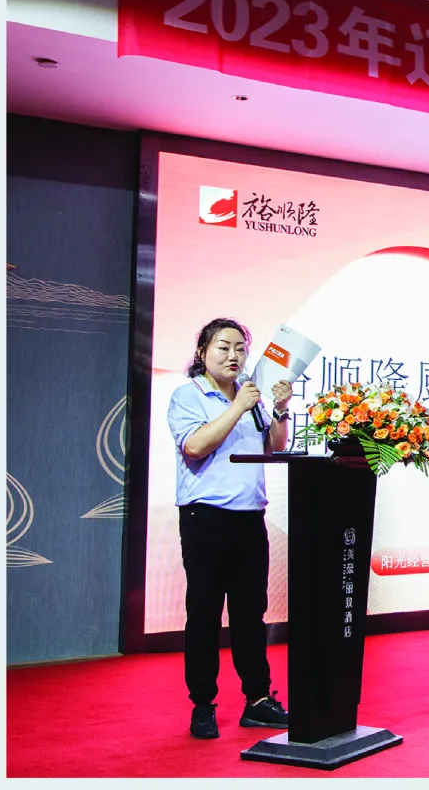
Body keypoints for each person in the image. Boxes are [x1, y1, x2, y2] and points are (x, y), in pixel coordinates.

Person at [167, 317, 295, 740]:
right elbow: (195, 446)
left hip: (249, 518)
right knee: (204, 613)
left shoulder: (250, 396)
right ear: (202, 352)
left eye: (240, 348)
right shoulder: (188, 395)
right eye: (223, 347)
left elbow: (274, 447)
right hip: (205, 518)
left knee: (250, 613)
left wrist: (279, 410)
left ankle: (257, 700)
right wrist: (237, 406)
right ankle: (203, 704)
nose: (234, 355)